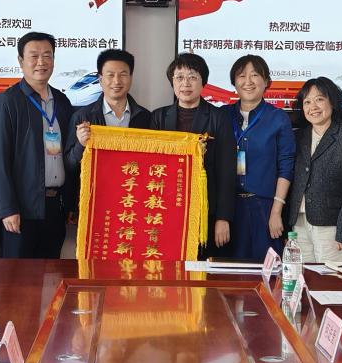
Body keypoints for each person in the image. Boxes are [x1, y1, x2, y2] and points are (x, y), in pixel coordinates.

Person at [0, 32, 76, 259]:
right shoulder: (5, 102)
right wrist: (8, 208)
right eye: (34, 56)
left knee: (51, 274)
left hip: (55, 207)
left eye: (47, 55)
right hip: (21, 210)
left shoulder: (62, 102)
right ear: (20, 61)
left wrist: (70, 203)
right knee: (18, 277)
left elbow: (69, 155)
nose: (41, 62)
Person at [151, 53, 236, 258]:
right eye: (179, 77)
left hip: (205, 211)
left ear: (203, 82)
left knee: (201, 267)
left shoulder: (218, 118)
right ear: (172, 82)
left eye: (192, 77)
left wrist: (223, 218)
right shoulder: (158, 117)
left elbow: (227, 170)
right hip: (166, 210)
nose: (186, 83)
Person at [220, 55, 295, 262]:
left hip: (264, 207)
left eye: (254, 75)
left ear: (266, 81)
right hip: (229, 208)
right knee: (227, 271)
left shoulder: (278, 118)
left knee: (265, 269)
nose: (248, 81)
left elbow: (286, 166)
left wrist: (276, 212)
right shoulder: (222, 115)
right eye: (241, 76)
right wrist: (220, 215)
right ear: (234, 82)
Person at [285, 76, 342, 263]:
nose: (313, 106)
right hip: (298, 224)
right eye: (307, 102)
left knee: (331, 279)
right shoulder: (298, 138)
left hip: (332, 226)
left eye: (319, 99)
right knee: (302, 275)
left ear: (332, 102)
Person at [66, 48, 152, 170]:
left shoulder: (145, 117)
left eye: (123, 75)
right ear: (100, 80)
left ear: (131, 78)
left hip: (132, 180)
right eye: (110, 75)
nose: (116, 81)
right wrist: (81, 144)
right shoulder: (82, 117)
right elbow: (69, 166)